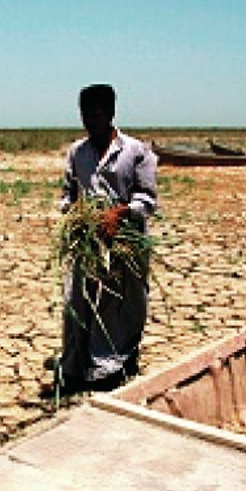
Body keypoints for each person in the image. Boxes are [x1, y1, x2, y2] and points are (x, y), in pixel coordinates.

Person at [46, 83, 158, 397]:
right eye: (85, 114)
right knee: (78, 301)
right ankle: (75, 365)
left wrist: (119, 214)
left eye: (96, 114)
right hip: (89, 242)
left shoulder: (137, 151)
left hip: (125, 242)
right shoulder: (77, 152)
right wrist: (77, 214)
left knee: (121, 303)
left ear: (110, 113)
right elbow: (67, 195)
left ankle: (112, 365)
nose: (90, 120)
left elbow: (147, 199)